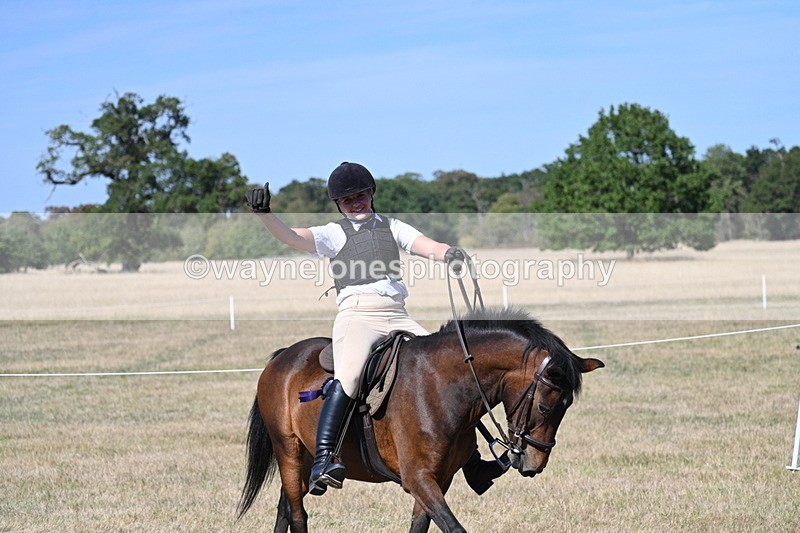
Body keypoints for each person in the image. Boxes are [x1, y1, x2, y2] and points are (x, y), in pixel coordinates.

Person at [246, 161, 506, 496]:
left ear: (371, 194)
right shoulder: (334, 233)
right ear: (338, 204)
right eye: (347, 199)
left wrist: (449, 253)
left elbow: (425, 245)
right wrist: (265, 215)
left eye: (360, 195)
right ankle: (325, 457)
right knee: (350, 376)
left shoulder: (393, 226)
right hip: (358, 316)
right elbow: (294, 238)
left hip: (397, 314)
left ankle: (473, 462)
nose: (355, 203)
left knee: (447, 371)